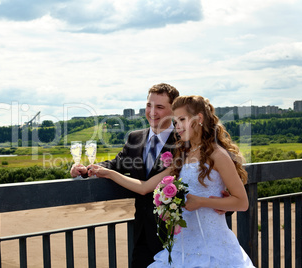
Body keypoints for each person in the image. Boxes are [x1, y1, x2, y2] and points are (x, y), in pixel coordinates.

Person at [88, 95, 255, 267]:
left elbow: (242, 203)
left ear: (199, 119)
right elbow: (145, 187)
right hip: (181, 248)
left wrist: (201, 202)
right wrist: (109, 173)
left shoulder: (217, 155)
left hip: (213, 248)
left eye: (182, 119)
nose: (177, 126)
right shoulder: (183, 154)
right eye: (175, 121)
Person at [71, 83, 180, 267]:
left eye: (160, 107)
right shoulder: (135, 137)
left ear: (174, 109)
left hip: (176, 234)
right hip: (142, 234)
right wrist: (87, 170)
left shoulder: (183, 139)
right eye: (149, 105)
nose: (152, 112)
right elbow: (115, 164)